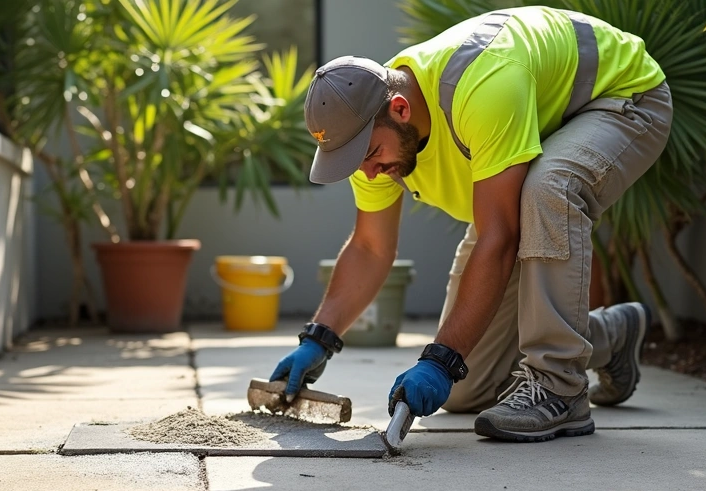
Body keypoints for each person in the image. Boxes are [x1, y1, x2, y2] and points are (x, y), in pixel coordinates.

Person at [270, 6, 672, 443]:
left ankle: (560, 386)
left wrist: (441, 358)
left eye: (369, 155)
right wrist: (319, 338)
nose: (367, 173)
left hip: (621, 99)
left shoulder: (481, 84)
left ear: (400, 109)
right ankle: (611, 336)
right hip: (536, 135)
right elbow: (370, 247)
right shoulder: (368, 135)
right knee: (466, 389)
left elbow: (500, 237)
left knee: (547, 187)